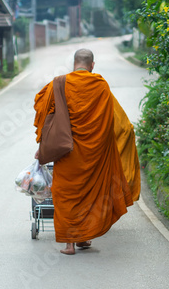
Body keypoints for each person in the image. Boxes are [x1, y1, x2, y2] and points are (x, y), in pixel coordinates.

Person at [33, 48, 141, 255]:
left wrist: (42, 146)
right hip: (94, 155)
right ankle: (85, 237)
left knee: (66, 195)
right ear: (92, 65)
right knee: (90, 194)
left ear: (74, 64)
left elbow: (44, 114)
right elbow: (114, 121)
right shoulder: (100, 85)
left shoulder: (59, 83)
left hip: (67, 153)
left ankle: (70, 244)